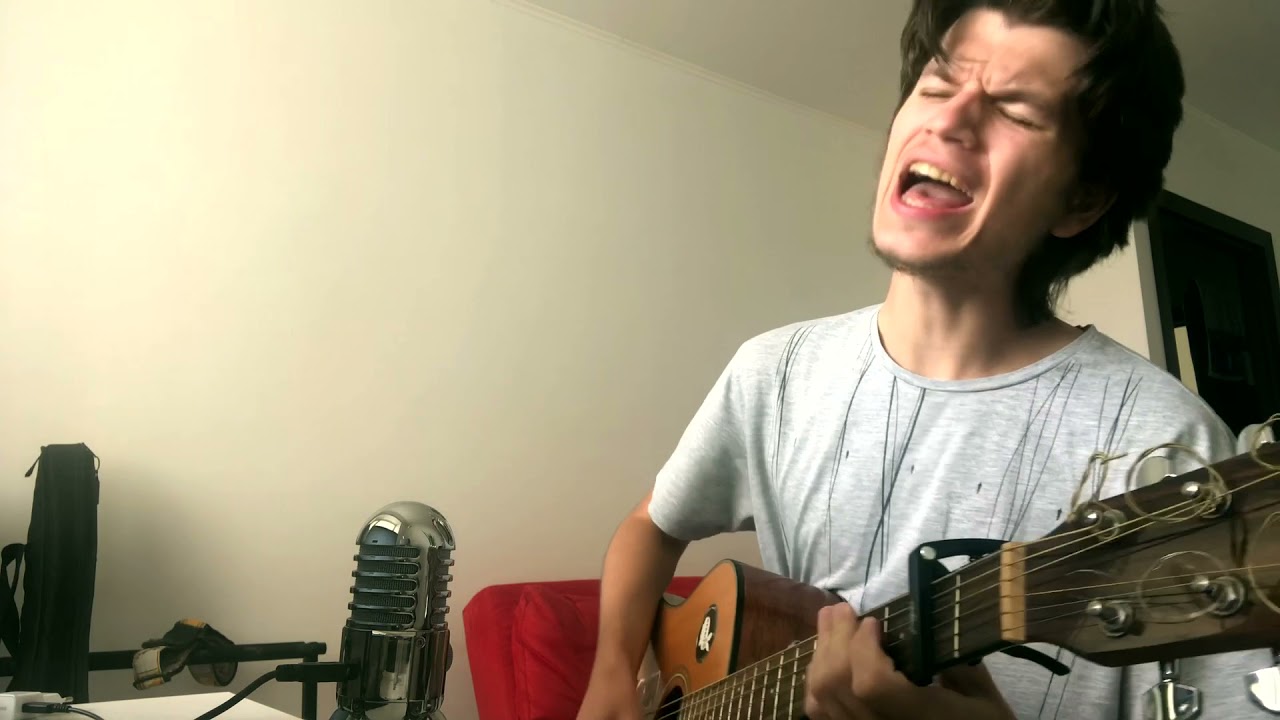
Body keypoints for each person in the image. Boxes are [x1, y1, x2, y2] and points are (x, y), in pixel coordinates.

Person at [577, 1, 1273, 718]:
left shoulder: (1166, 445)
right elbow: (652, 525)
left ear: (1082, 199)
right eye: (937, 84)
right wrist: (610, 676)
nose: (949, 119)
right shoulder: (774, 373)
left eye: (1015, 110)